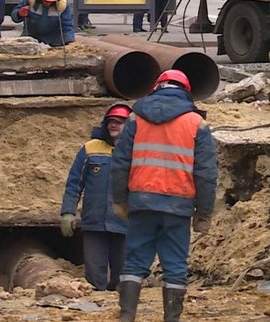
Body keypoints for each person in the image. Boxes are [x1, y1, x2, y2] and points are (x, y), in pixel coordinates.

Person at [111, 70, 218, 322]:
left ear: (156, 88)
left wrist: (119, 200)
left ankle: (127, 317)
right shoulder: (196, 123)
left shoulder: (136, 119)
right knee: (175, 266)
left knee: (135, 263)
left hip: (142, 203)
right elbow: (206, 174)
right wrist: (204, 212)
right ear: (186, 91)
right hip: (178, 207)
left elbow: (120, 163)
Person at [60, 103, 132, 291]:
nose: (113, 125)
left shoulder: (138, 151)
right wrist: (68, 212)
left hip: (125, 224)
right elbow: (75, 183)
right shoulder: (91, 149)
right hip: (95, 222)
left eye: (119, 122)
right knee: (94, 277)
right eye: (111, 122)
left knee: (124, 276)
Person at [11, 0, 75, 46]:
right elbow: (14, 16)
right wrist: (19, 13)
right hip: (30, 38)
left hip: (54, 41)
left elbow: (67, 25)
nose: (48, 2)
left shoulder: (63, 5)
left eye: (51, 0)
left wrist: (69, 40)